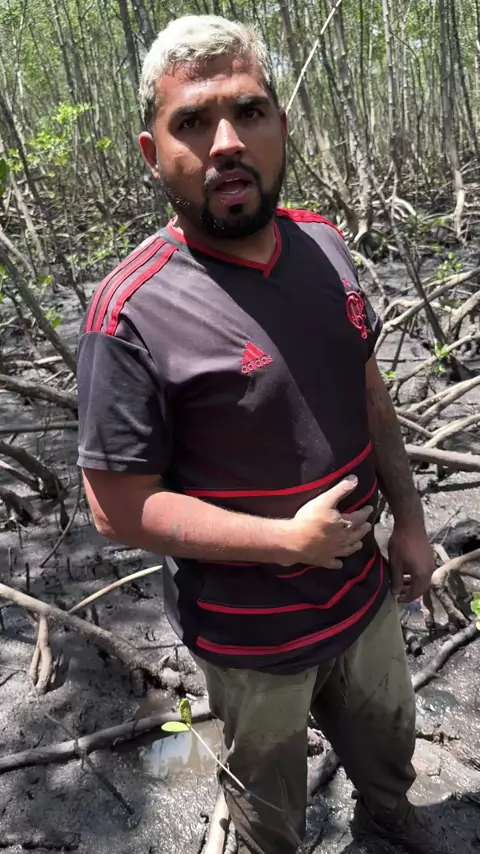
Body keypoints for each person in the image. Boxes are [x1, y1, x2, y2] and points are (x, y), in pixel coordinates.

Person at [77, 15, 451, 854]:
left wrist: (411, 521)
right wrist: (284, 542)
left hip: (363, 598)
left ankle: (387, 820)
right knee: (268, 809)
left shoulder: (325, 245)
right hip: (251, 640)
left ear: (281, 125)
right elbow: (116, 509)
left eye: (248, 112)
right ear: (153, 153)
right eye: (193, 122)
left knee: (389, 750)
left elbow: (369, 393)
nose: (226, 143)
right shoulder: (129, 310)